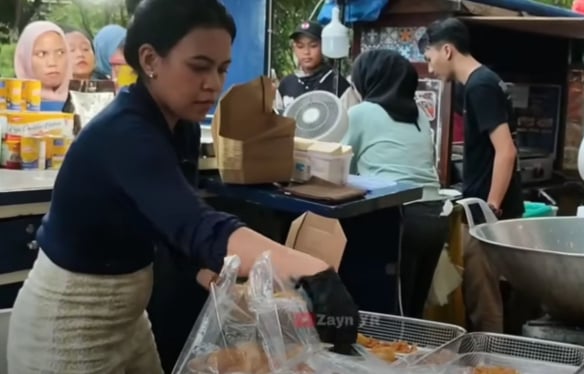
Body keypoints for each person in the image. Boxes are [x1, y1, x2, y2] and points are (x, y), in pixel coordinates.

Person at [6, 0, 359, 372]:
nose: (214, 84)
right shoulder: (124, 133)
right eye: (199, 67)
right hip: (68, 326)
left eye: (222, 69)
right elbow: (196, 224)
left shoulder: (181, 126)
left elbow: (173, 223)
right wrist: (311, 269)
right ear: (150, 60)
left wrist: (221, 282)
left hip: (128, 317)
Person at [419, 18, 523, 333]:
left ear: (447, 50)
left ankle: (490, 360)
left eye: (429, 58)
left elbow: (506, 151)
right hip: (480, 205)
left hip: (485, 212)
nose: (430, 68)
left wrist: (489, 207)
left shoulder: (480, 85)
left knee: (484, 298)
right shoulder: (482, 82)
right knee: (479, 294)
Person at [342, 49, 446, 319]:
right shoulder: (419, 116)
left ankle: (392, 359)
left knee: (393, 312)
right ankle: (416, 358)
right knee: (415, 309)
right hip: (436, 215)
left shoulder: (361, 113)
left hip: (400, 218)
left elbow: (338, 165)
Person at [274, 20, 357, 112]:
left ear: (324, 46)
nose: (306, 52)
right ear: (294, 48)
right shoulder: (286, 85)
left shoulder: (338, 84)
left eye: (313, 46)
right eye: (300, 46)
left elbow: (352, 120)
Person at [14, 21, 72, 102]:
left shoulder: (83, 104)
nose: (52, 63)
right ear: (24, 59)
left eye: (60, 53)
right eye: (41, 54)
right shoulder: (8, 105)